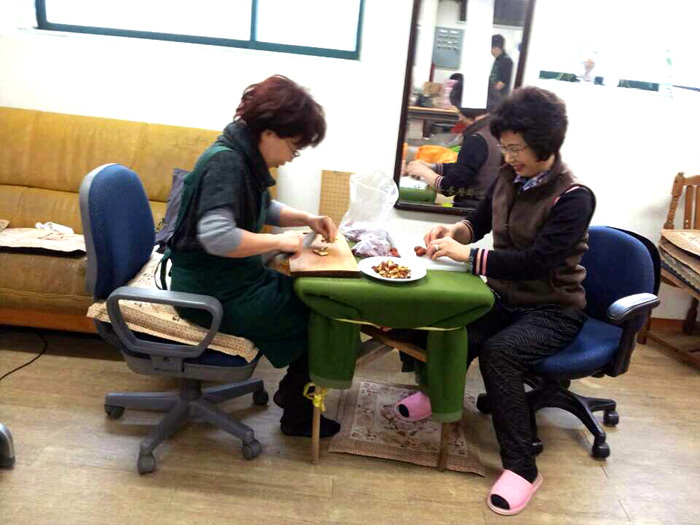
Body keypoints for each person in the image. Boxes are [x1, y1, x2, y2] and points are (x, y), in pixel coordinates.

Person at [397, 87, 596, 515]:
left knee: (500, 354)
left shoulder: (574, 196)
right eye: (504, 147)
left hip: (554, 309)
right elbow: (480, 220)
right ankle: (437, 396)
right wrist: (454, 234)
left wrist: (468, 256)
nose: (508, 157)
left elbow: (536, 262)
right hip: (506, 298)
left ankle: (522, 468)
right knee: (453, 326)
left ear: (545, 143)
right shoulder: (510, 175)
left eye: (516, 148)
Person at [168, 75, 340, 439]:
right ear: (269, 132)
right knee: (318, 317)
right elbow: (218, 237)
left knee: (314, 300)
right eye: (294, 146)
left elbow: (260, 207)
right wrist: (279, 241)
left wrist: (306, 218)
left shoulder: (241, 157)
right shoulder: (227, 163)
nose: (292, 156)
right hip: (210, 291)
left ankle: (293, 396)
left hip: (233, 280)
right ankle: (297, 413)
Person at [405, 102, 501, 208]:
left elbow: (449, 187)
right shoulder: (492, 132)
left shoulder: (477, 139)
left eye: (459, 112)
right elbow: (465, 168)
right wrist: (432, 167)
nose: (459, 118)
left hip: (470, 209)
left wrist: (424, 172)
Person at [487, 34, 514, 111]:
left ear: (496, 48)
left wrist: (490, 94)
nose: (491, 52)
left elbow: (502, 82)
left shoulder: (506, 61)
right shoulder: (499, 59)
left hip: (499, 98)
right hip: (495, 97)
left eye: (491, 49)